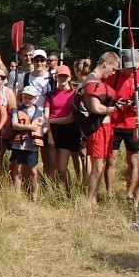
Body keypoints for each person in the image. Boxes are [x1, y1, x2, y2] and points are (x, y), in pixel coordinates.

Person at [105, 49, 139, 204]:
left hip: (133, 123)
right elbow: (105, 95)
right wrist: (116, 102)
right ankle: (109, 193)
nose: (130, 70)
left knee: (133, 160)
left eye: (133, 66)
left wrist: (138, 103)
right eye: (127, 66)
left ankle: (129, 193)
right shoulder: (114, 75)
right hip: (115, 122)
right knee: (111, 160)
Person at [80, 52, 120, 205]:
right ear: (105, 64)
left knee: (101, 164)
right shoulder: (91, 81)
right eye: (114, 68)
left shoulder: (97, 81)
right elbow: (96, 108)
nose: (113, 73)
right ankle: (90, 200)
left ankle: (94, 196)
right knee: (97, 166)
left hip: (105, 126)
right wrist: (113, 108)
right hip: (98, 127)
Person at [45, 64, 82, 193]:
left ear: (69, 77)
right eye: (60, 76)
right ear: (56, 77)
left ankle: (69, 191)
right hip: (53, 130)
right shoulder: (51, 94)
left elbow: (71, 118)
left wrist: (49, 121)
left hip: (68, 131)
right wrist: (49, 132)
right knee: (53, 165)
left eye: (65, 76)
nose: (62, 78)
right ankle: (57, 192)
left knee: (62, 166)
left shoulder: (74, 94)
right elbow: (46, 114)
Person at [11, 85, 49, 200]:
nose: (27, 100)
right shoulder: (16, 110)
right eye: (25, 97)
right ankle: (17, 194)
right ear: (22, 97)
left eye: (30, 98)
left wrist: (40, 132)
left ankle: (35, 195)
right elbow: (14, 124)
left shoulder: (40, 112)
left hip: (32, 145)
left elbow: (46, 125)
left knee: (33, 170)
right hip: (19, 145)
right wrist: (29, 127)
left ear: (35, 99)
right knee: (17, 169)